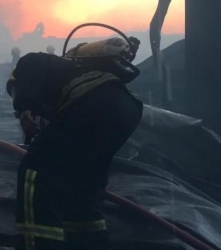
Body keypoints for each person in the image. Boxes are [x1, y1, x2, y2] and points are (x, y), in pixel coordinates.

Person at [8, 41, 143, 249]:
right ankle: (88, 244)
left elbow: (30, 63)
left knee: (35, 171)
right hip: (129, 109)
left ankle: (38, 244)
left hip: (94, 101)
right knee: (82, 180)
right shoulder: (74, 75)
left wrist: (24, 106)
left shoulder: (36, 63)